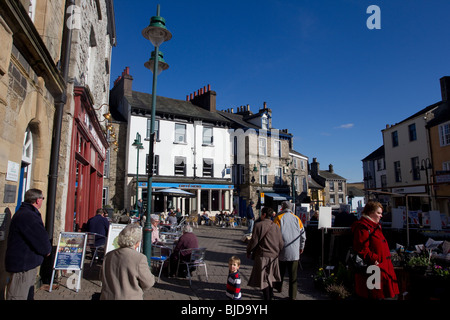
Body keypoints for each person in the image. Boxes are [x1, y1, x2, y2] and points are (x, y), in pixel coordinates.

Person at [5, 189, 52, 300]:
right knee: (17, 296)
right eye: (42, 198)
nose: (42, 201)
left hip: (26, 264)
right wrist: (47, 250)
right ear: (37, 200)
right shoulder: (28, 216)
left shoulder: (26, 213)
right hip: (22, 265)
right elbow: (39, 238)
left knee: (27, 295)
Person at [351, 201, 399, 299]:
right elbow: (361, 248)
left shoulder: (375, 226)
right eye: (378, 213)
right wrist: (374, 258)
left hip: (381, 267)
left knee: (381, 295)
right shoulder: (363, 227)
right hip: (374, 268)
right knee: (374, 295)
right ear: (370, 212)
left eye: (381, 213)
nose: (381, 216)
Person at [100, 224, 155, 300]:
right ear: (137, 242)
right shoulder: (139, 258)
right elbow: (148, 282)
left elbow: (101, 277)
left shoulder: (108, 255)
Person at [247, 207, 284, 300]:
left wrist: (248, 251)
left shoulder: (258, 225)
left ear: (264, 214)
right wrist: (278, 251)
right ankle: (271, 294)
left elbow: (254, 241)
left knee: (264, 279)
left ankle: (267, 297)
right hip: (274, 256)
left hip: (263, 255)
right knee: (270, 277)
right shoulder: (276, 226)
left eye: (261, 213)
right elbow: (281, 242)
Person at [273, 201, 306, 300]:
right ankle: (292, 295)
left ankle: (278, 287)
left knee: (280, 271)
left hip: (282, 250)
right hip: (294, 251)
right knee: (293, 275)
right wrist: (301, 247)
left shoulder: (278, 218)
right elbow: (303, 235)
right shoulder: (297, 219)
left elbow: (274, 234)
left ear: (282, 208)